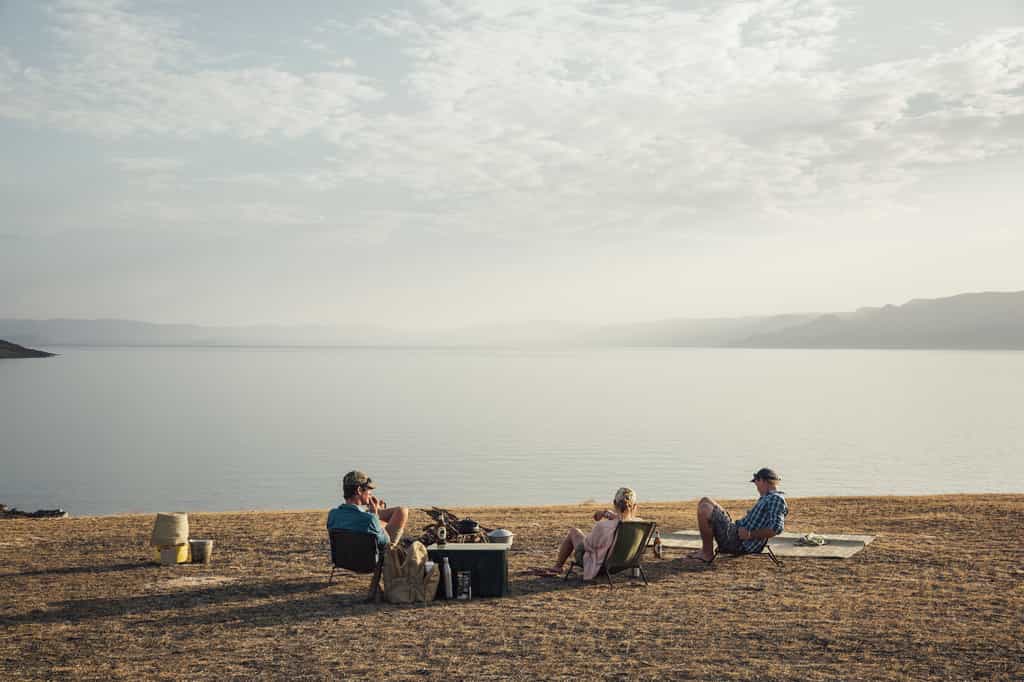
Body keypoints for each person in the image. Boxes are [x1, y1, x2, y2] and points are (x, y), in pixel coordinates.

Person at [687, 467, 788, 563]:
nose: (757, 487)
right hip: (735, 532)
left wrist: (750, 534)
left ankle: (707, 553)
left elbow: (775, 529)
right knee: (705, 500)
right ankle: (704, 550)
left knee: (704, 509)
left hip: (739, 542)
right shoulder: (767, 497)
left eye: (757, 483)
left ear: (763, 480)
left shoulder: (776, 499)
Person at [548, 487, 639, 579]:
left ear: (614, 503)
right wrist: (606, 514)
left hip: (599, 565)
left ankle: (557, 567)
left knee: (574, 532)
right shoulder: (640, 526)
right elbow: (621, 519)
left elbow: (588, 545)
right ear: (635, 506)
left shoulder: (603, 526)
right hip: (623, 564)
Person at [327, 470, 409, 547]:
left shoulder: (332, 515)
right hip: (372, 561)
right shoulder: (370, 519)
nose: (370, 493)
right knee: (402, 511)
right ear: (359, 490)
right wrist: (375, 515)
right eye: (369, 489)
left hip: (343, 561)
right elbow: (385, 542)